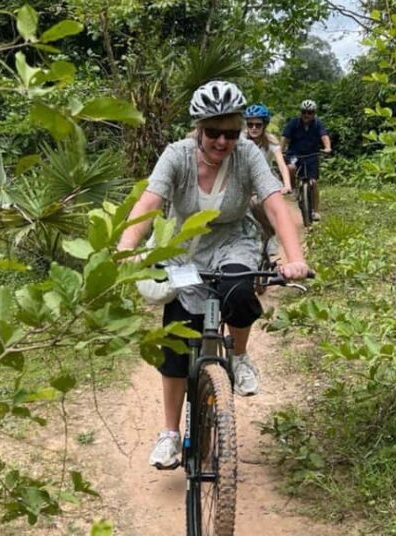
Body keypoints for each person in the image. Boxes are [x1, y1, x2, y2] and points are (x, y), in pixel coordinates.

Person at [116, 81, 310, 470]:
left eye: (232, 133)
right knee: (176, 339)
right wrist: (126, 249)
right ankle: (170, 434)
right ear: (198, 129)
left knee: (239, 290)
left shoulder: (247, 156)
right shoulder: (177, 156)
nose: (223, 141)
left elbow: (275, 205)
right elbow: (149, 203)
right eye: (213, 132)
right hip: (185, 248)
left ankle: (238, 357)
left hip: (234, 242)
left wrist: (294, 258)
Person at [243, 104, 293, 252]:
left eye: (258, 125)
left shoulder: (271, 142)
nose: (253, 128)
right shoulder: (240, 139)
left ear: (264, 125)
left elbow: (281, 165)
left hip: (265, 180)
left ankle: (271, 236)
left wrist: (287, 184)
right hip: (244, 180)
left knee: (261, 206)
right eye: (250, 124)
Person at [281, 99, 332, 221]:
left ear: (314, 113)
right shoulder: (293, 123)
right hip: (294, 155)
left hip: (312, 155)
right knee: (291, 168)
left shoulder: (318, 124)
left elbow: (324, 136)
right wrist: (280, 150)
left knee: (313, 182)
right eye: (304, 112)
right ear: (301, 113)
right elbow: (285, 138)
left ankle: (315, 211)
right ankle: (293, 189)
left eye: (309, 113)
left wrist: (327, 147)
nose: (306, 115)